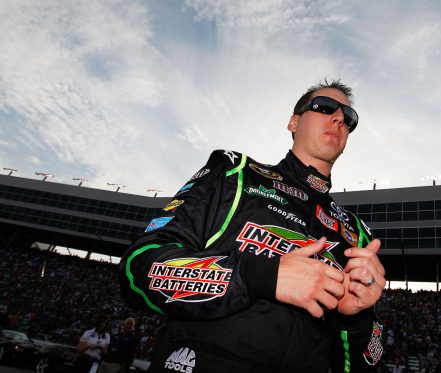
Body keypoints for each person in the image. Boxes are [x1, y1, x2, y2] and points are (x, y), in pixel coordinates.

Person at [119, 79, 386, 372]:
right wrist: (261, 276)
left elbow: (369, 361)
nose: (338, 118)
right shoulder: (235, 172)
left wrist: (355, 319)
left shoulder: (357, 234)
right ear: (293, 122)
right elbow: (139, 268)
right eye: (324, 107)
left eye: (349, 118)